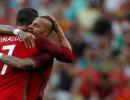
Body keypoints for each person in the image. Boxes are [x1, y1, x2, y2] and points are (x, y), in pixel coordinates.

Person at [0, 8, 73, 100]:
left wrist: (16, 31)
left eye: (36, 25)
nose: (32, 27)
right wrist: (58, 30)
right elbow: (68, 55)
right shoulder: (34, 38)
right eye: (33, 24)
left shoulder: (3, 35)